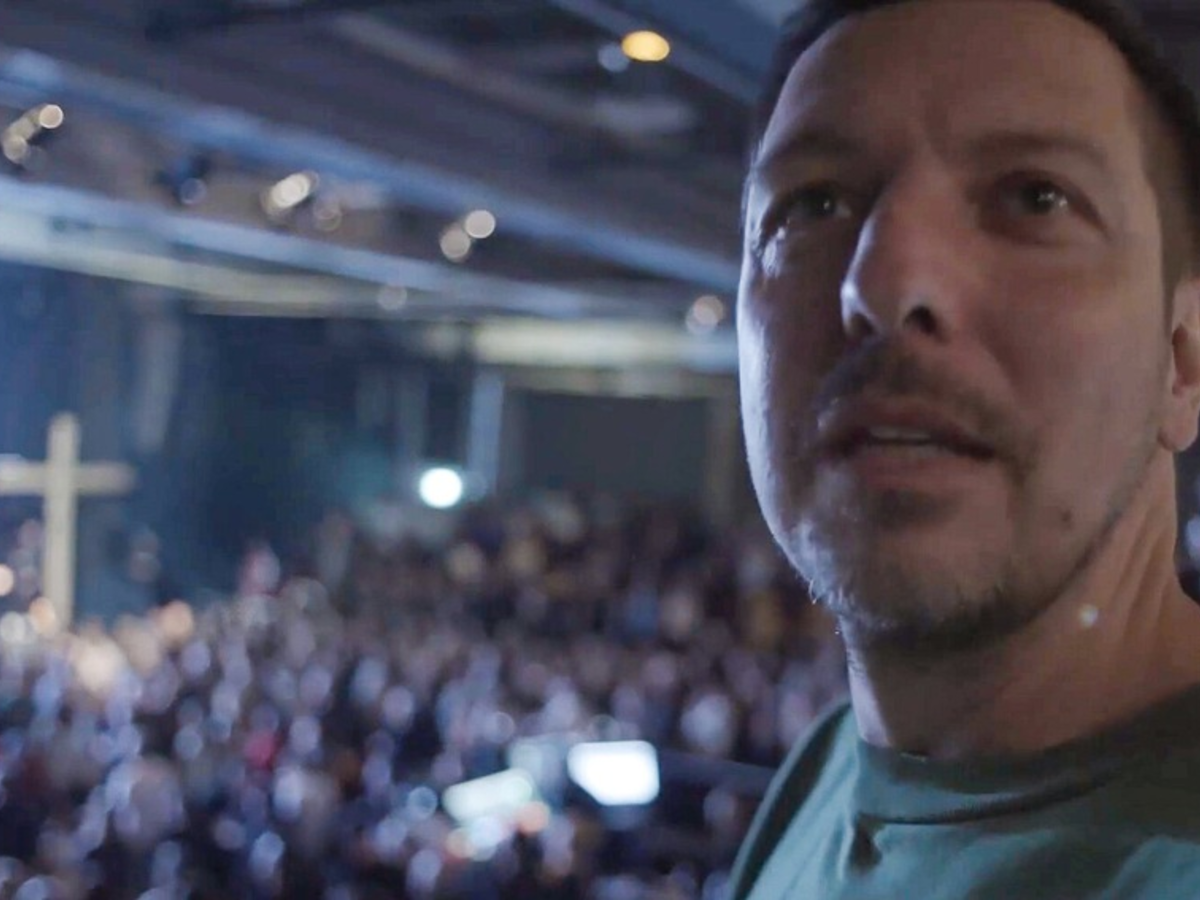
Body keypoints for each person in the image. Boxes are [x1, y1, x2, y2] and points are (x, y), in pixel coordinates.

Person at [730, 1, 1200, 897]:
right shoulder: (823, 773)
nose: (884, 285)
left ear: (1183, 360)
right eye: (813, 203)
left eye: (1035, 197)